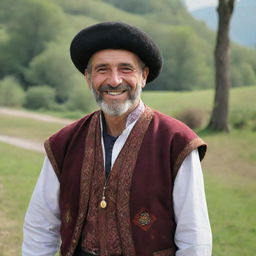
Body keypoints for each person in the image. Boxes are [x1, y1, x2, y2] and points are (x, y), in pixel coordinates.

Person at [22, 22, 212, 256]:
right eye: (102, 69)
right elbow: (40, 225)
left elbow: (195, 237)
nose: (114, 80)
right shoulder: (64, 143)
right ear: (88, 78)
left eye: (126, 69)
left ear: (143, 76)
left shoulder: (176, 142)